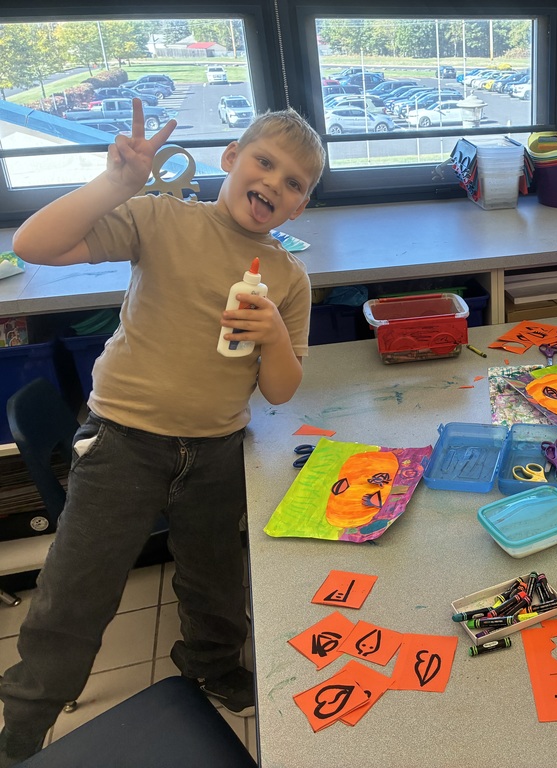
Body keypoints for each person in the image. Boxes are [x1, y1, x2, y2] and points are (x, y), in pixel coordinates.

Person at [0, 99, 326, 765]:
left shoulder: (288, 279)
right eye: (264, 162)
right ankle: (25, 722)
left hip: (214, 449)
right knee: (76, 592)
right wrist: (116, 184)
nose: (273, 182)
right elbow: (34, 244)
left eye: (294, 182)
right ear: (231, 160)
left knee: (215, 580)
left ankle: (211, 663)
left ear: (299, 206)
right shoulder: (160, 219)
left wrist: (271, 340)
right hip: (124, 441)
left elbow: (282, 391)